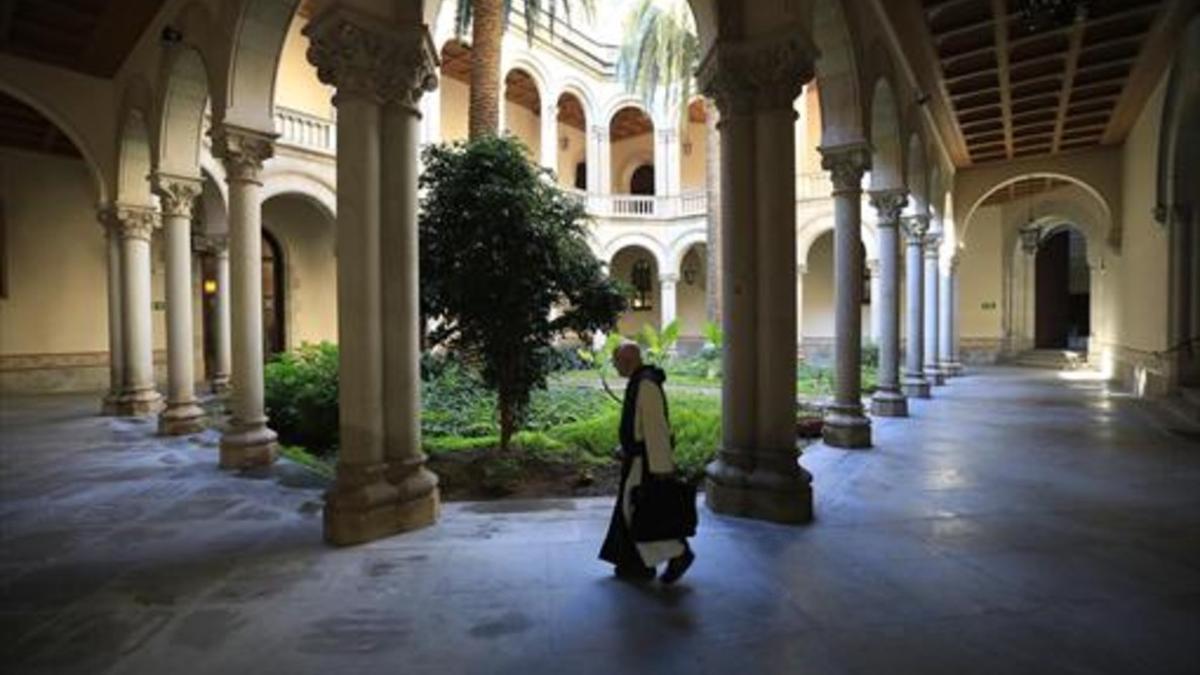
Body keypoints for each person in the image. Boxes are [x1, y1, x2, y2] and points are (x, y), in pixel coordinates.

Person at [598, 342, 695, 584]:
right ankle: (641, 564)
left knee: (642, 511)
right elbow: (641, 425)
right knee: (638, 511)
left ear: (627, 361)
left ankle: (679, 553)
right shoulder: (641, 382)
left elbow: (656, 428)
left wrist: (662, 468)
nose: (615, 366)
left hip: (646, 463)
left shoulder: (646, 384)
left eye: (616, 361)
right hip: (640, 459)